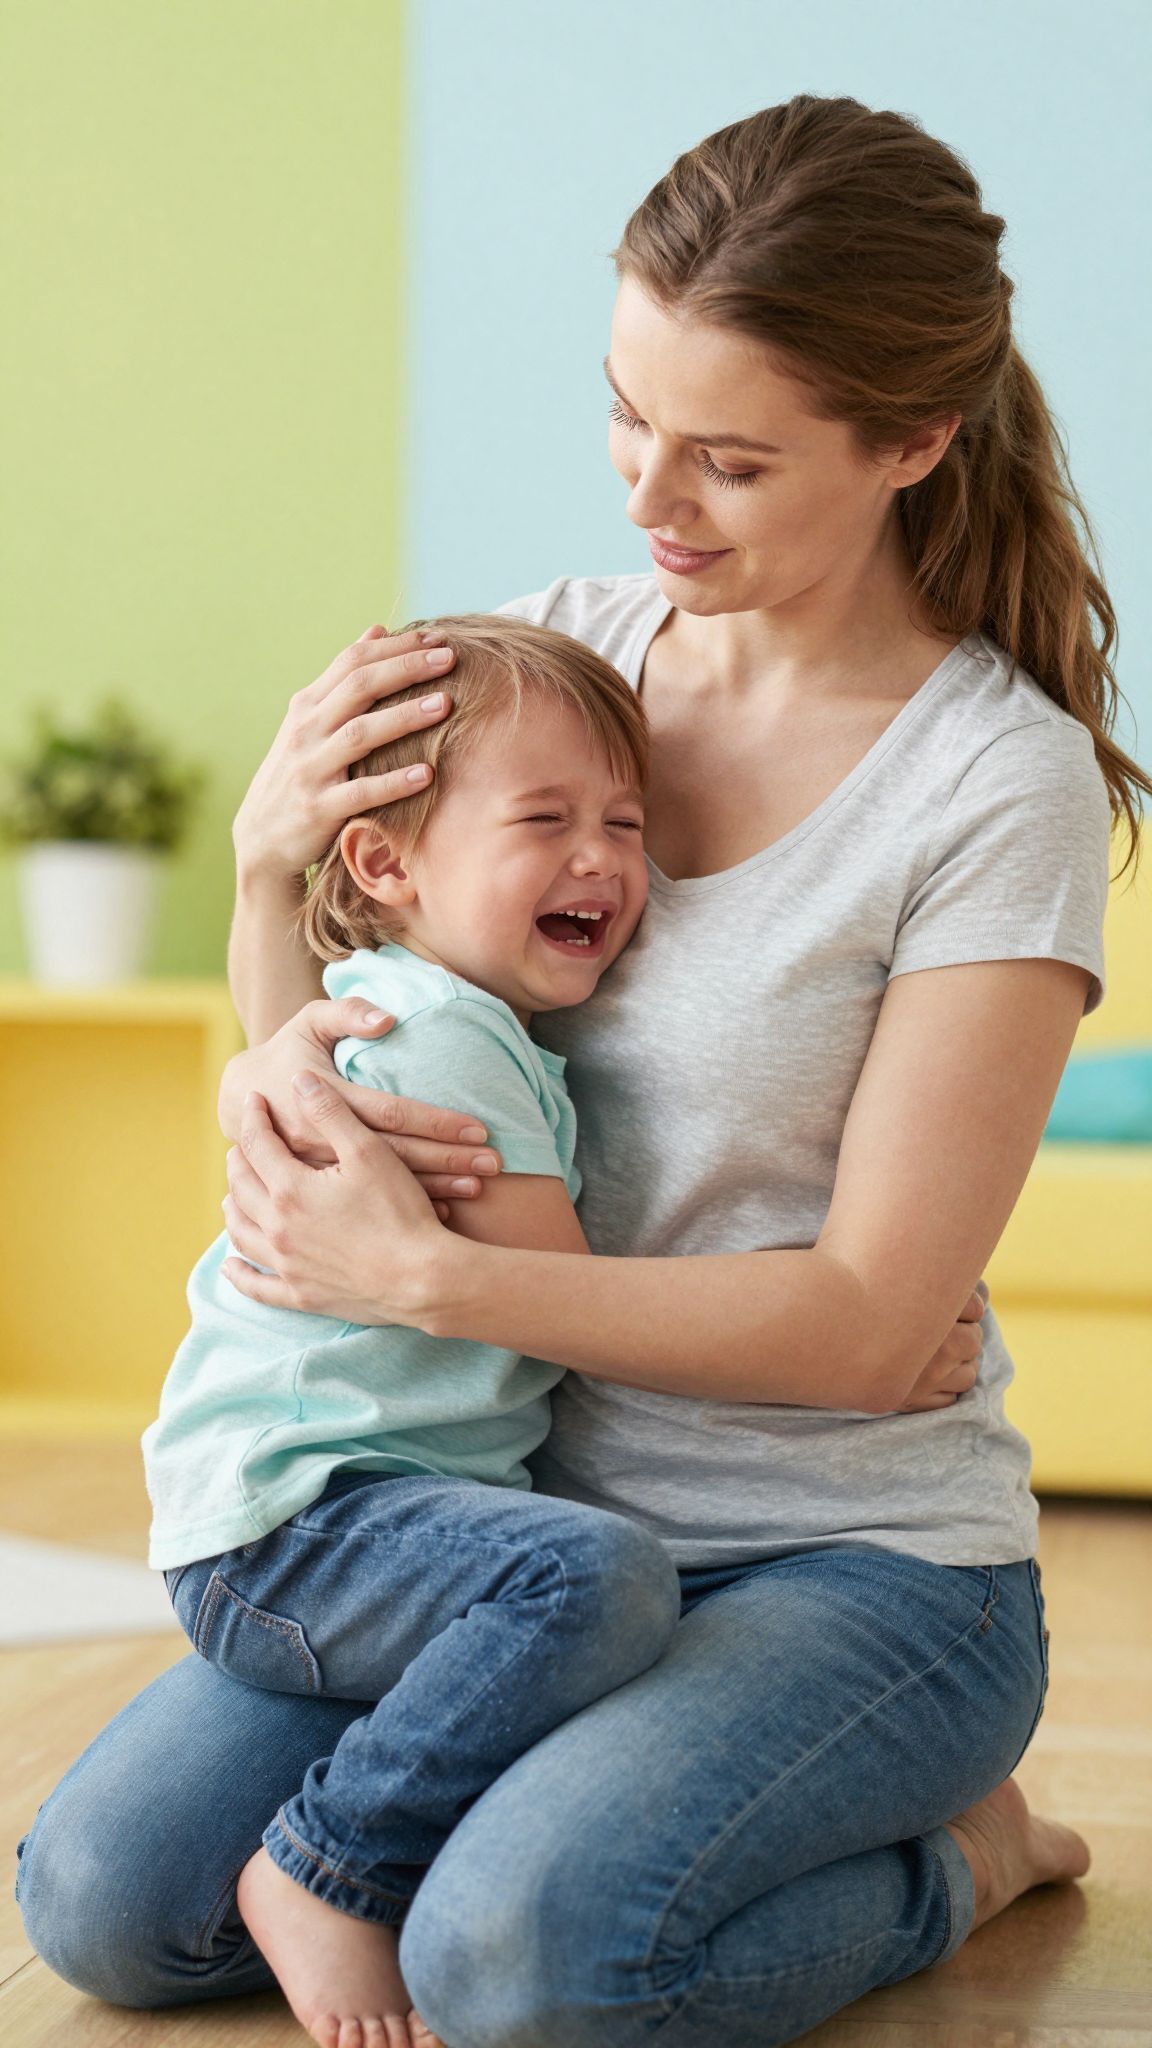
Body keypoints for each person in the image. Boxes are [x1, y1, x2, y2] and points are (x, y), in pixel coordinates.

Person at [17, 94, 1149, 2048]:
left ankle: (964, 1852)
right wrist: (267, 875)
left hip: (853, 1560)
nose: (652, 493)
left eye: (728, 457)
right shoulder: (551, 651)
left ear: (911, 441)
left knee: (513, 1962)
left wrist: (426, 1278)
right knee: (108, 1909)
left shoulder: (992, 779)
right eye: (629, 411)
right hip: (499, 1529)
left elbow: (871, 1333)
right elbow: (328, 1052)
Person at [143, 614, 686, 2048]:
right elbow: (575, 1306)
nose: (603, 861)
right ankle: (332, 1867)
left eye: (626, 823)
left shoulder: (401, 1008)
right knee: (599, 1585)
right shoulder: (449, 1045)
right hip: (310, 1528)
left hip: (283, 1520)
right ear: (385, 864)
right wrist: (831, 1325)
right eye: (546, 822)